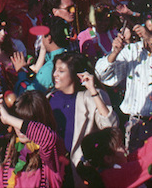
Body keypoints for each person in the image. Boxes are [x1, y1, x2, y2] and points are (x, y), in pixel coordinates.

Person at [94, 13, 152, 149]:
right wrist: (114, 53)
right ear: (141, 30)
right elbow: (102, 75)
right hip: (139, 124)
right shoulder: (131, 51)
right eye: (151, 31)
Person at [46, 51, 117, 182]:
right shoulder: (50, 98)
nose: (55, 74)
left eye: (61, 71)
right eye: (55, 70)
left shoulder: (91, 97)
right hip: (55, 171)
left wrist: (93, 91)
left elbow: (110, 127)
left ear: (75, 74)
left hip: (81, 171)